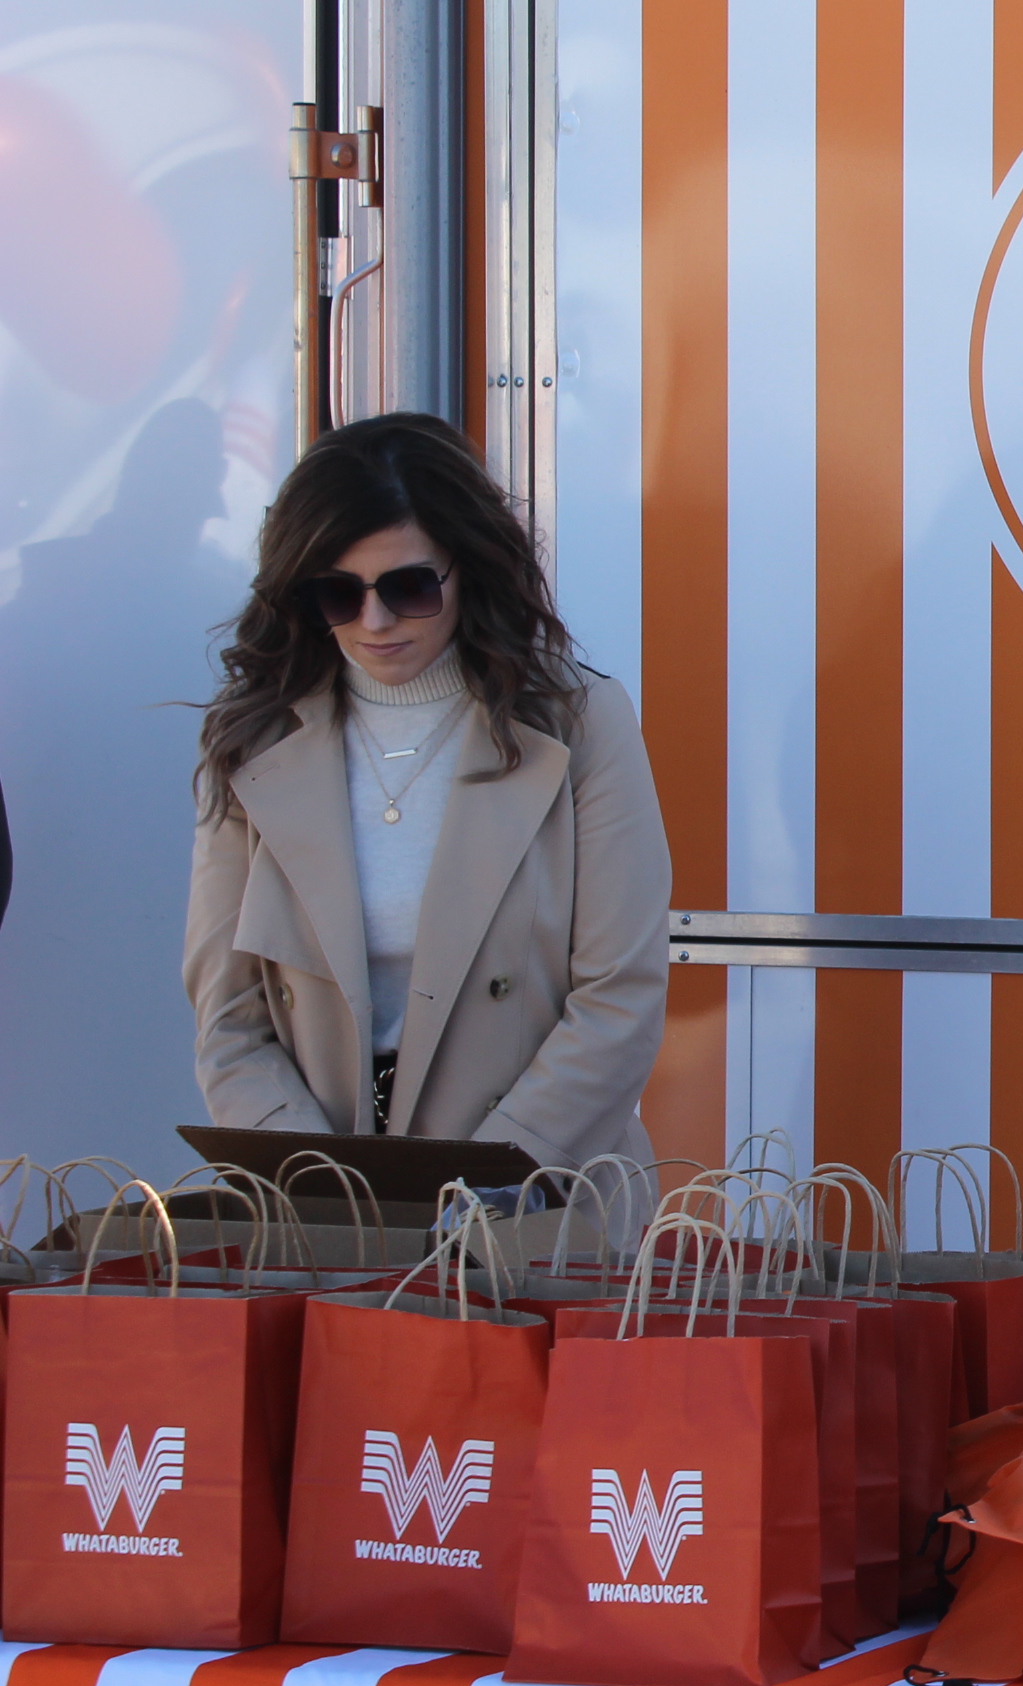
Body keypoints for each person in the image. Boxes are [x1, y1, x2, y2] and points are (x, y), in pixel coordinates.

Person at [184, 412, 673, 1166]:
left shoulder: (578, 722)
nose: (374, 621)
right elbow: (229, 1015)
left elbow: (619, 997)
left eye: (408, 587)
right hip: (324, 1211)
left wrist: (478, 1187)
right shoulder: (256, 737)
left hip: (536, 1203)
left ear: (466, 566)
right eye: (337, 594)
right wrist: (322, 1189)